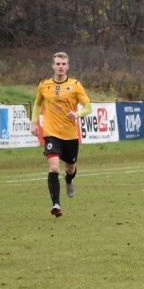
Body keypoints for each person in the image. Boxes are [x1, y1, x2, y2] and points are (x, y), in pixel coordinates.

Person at [30, 52, 92, 217]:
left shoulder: (75, 85)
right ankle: (56, 204)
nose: (60, 67)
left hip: (70, 135)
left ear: (68, 66)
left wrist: (78, 114)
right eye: (57, 64)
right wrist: (34, 122)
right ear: (53, 66)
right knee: (54, 167)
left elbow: (88, 107)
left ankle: (69, 180)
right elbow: (37, 104)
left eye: (63, 64)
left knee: (70, 168)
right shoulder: (44, 85)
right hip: (51, 134)